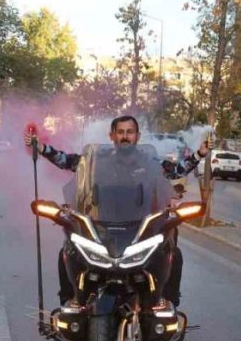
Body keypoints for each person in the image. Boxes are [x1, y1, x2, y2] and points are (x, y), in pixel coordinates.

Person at [24, 115, 211, 308]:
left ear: (137, 136)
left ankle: (167, 301)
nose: (125, 136)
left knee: (173, 251)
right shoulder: (96, 160)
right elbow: (65, 160)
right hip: (101, 224)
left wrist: (200, 154)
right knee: (69, 249)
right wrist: (41, 148)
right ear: (112, 135)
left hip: (141, 224)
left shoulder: (149, 160)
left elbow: (177, 171)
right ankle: (70, 300)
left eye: (129, 132)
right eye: (120, 132)